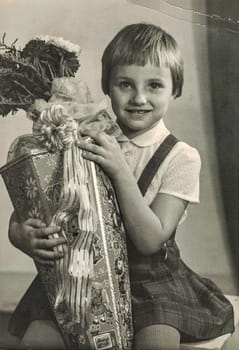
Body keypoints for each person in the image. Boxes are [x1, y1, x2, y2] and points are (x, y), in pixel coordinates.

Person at [8, 23, 234, 350]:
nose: (139, 98)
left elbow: (150, 239)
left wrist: (119, 169)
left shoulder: (182, 157)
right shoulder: (78, 136)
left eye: (155, 85)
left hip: (152, 282)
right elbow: (29, 208)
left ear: (175, 90)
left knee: (156, 344)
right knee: (37, 341)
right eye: (125, 84)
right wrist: (23, 236)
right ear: (108, 88)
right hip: (80, 275)